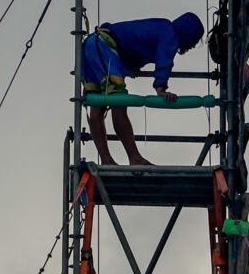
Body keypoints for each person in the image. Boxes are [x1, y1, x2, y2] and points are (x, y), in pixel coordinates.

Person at [81, 12, 204, 165]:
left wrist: (131, 67)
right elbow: (164, 59)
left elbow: (133, 41)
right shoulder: (170, 32)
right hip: (106, 47)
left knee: (96, 104)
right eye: (194, 41)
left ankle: (107, 160)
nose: (191, 46)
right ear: (189, 34)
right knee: (118, 103)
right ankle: (134, 157)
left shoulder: (161, 25)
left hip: (93, 45)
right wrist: (161, 88)